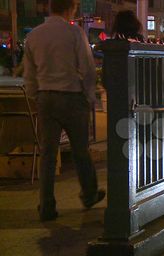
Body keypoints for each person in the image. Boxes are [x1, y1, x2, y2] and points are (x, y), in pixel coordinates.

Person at [23, 0, 105, 222]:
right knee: (80, 150)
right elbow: (87, 68)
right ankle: (89, 194)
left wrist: (35, 95)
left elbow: (29, 73)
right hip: (71, 95)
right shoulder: (74, 33)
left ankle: (47, 205)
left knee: (48, 154)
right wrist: (88, 96)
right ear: (71, 8)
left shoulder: (34, 35)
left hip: (45, 97)